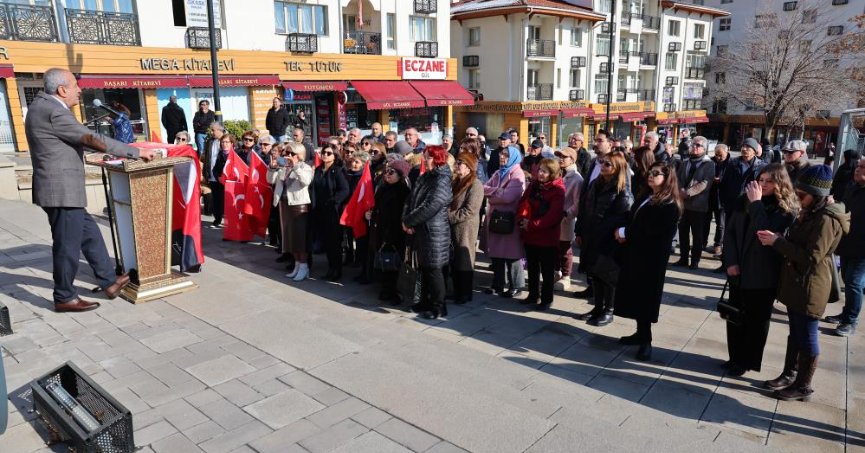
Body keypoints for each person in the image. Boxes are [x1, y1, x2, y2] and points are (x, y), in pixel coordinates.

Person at [26, 68, 155, 312]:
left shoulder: (43, 106)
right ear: (62, 90)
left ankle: (108, 282)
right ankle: (64, 296)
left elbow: (64, 142)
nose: (80, 90)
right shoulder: (53, 110)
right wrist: (136, 152)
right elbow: (89, 138)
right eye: (75, 85)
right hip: (61, 191)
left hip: (62, 190)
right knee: (67, 245)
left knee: (90, 235)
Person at [759, 165, 849, 401]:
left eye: (802, 195)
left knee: (807, 335)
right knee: (796, 333)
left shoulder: (827, 219)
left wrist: (777, 242)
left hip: (811, 285)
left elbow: (812, 256)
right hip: (797, 282)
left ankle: (804, 386)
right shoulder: (811, 212)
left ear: (818, 196)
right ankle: (790, 374)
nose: (798, 199)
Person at [723, 164, 798, 376]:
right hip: (738, 270)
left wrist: (756, 203)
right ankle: (734, 357)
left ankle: (747, 361)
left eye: (769, 181)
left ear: (780, 184)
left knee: (756, 321)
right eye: (761, 180)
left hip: (763, 274)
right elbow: (729, 233)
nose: (763, 185)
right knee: (735, 316)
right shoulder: (744, 201)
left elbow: (764, 234)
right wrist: (730, 262)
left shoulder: (785, 209)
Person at [613, 162, 683, 361]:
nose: (650, 176)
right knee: (635, 296)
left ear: (667, 178)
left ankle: (646, 341)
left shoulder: (669, 203)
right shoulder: (647, 195)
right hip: (636, 254)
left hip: (651, 259)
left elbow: (652, 231)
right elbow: (635, 218)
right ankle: (639, 333)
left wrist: (625, 233)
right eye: (649, 172)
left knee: (645, 300)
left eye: (656, 174)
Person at [574, 150, 632, 326]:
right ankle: (597, 307)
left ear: (617, 168)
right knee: (594, 274)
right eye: (602, 163)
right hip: (590, 235)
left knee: (607, 276)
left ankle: (609, 310)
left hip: (608, 240)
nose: (603, 166)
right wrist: (579, 230)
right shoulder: (595, 184)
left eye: (607, 164)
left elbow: (623, 217)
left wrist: (606, 232)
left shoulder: (622, 190)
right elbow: (584, 208)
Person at [402, 146, 453, 319]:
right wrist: (406, 218)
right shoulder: (426, 177)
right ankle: (424, 301)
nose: (426, 160)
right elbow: (412, 199)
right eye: (425, 157)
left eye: (429, 157)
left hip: (434, 231)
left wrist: (409, 220)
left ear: (438, 159)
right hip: (421, 229)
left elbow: (431, 206)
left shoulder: (442, 179)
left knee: (434, 269)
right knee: (424, 267)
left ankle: (439, 306)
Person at [573, 129, 616, 299]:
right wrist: (580, 227)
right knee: (589, 260)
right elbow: (586, 195)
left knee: (602, 264)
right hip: (589, 221)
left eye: (600, 140)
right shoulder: (594, 163)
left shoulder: (617, 165)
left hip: (604, 225)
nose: (595, 143)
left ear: (610, 144)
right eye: (595, 140)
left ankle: (605, 302)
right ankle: (592, 289)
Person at [518, 158, 566, 311]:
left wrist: (531, 225)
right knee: (532, 268)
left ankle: (546, 299)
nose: (540, 174)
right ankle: (533, 295)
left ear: (552, 173)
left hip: (547, 237)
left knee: (546, 270)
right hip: (530, 235)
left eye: (544, 171)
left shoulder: (558, 190)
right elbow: (522, 202)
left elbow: (553, 217)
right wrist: (521, 220)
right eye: (539, 170)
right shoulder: (533, 185)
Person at [826, 159, 865, 336]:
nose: (857, 169)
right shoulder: (852, 187)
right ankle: (846, 314)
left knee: (854, 283)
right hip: (848, 243)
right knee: (847, 280)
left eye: (862, 167)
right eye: (858, 166)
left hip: (862, 250)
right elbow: (844, 209)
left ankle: (851, 321)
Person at [482, 145, 526, 298]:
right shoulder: (498, 172)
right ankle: (498, 284)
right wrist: (498, 192)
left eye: (506, 155)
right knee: (497, 254)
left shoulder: (517, 174)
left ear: (513, 157)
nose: (502, 157)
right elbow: (483, 188)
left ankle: (517, 285)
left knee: (512, 254)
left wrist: (493, 194)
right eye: (502, 154)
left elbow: (508, 197)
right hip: (495, 218)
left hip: (509, 220)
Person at [370, 159, 411, 304]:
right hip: (382, 229)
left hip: (396, 232)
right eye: (386, 171)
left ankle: (394, 291)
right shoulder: (383, 187)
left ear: (400, 175)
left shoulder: (403, 191)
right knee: (385, 260)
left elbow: (401, 213)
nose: (387, 174)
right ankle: (385, 289)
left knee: (394, 262)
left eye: (391, 172)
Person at [271, 142, 314, 281]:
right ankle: (297, 264)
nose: (288, 156)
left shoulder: (305, 167)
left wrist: (295, 166)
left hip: (298, 205)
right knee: (290, 238)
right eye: (287, 153)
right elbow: (270, 180)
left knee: (300, 238)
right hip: (285, 205)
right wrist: (272, 169)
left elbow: (306, 181)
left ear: (299, 155)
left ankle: (304, 266)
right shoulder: (284, 167)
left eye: (291, 154)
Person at [449, 151, 484, 304]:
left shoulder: (475, 184)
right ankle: (456, 291)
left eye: (460, 163)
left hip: (465, 227)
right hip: (454, 225)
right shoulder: (456, 181)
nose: (457, 165)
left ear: (469, 167)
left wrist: (448, 217)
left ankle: (465, 293)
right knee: (455, 259)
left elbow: (470, 210)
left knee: (464, 259)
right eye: (457, 162)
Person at [674, 136, 715, 270]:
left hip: (698, 205)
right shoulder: (685, 162)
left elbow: (705, 183)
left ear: (704, 149)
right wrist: (680, 190)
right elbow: (678, 178)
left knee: (697, 235)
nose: (694, 147)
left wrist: (688, 192)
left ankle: (695, 260)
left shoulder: (709, 164)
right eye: (693, 145)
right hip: (683, 204)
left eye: (698, 145)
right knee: (683, 233)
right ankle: (683, 258)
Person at [312, 143, 350, 282]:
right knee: (327, 242)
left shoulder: (338, 171)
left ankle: (337, 270)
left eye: (329, 153)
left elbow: (344, 190)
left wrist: (333, 201)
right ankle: (330, 268)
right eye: (324, 152)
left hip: (333, 211)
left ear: (335, 156)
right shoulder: (318, 170)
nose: (325, 155)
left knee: (335, 243)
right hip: (320, 211)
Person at [554, 147, 583, 291]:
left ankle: (566, 276)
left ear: (572, 159)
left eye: (564, 157)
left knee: (565, 248)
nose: (560, 159)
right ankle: (557, 271)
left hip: (566, 219)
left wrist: (567, 214)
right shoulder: (558, 173)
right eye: (559, 156)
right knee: (554, 246)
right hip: (553, 217)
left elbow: (578, 202)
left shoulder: (577, 178)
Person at [706, 144, 730, 263]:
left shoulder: (732, 163)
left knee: (721, 223)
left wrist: (721, 180)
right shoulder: (711, 161)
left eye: (721, 155)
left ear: (727, 152)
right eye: (716, 155)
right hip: (710, 196)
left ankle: (718, 244)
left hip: (723, 197)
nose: (718, 157)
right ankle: (703, 242)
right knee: (706, 220)